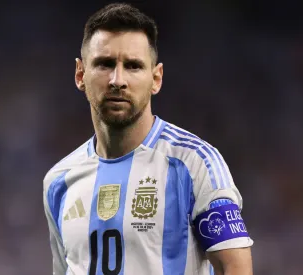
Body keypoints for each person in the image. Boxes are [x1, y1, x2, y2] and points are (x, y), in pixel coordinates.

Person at [43, 3, 254, 274]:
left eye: (132, 66)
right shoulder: (59, 181)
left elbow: (235, 268)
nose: (117, 80)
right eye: (105, 64)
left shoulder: (194, 164)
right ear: (80, 74)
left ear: (156, 78)